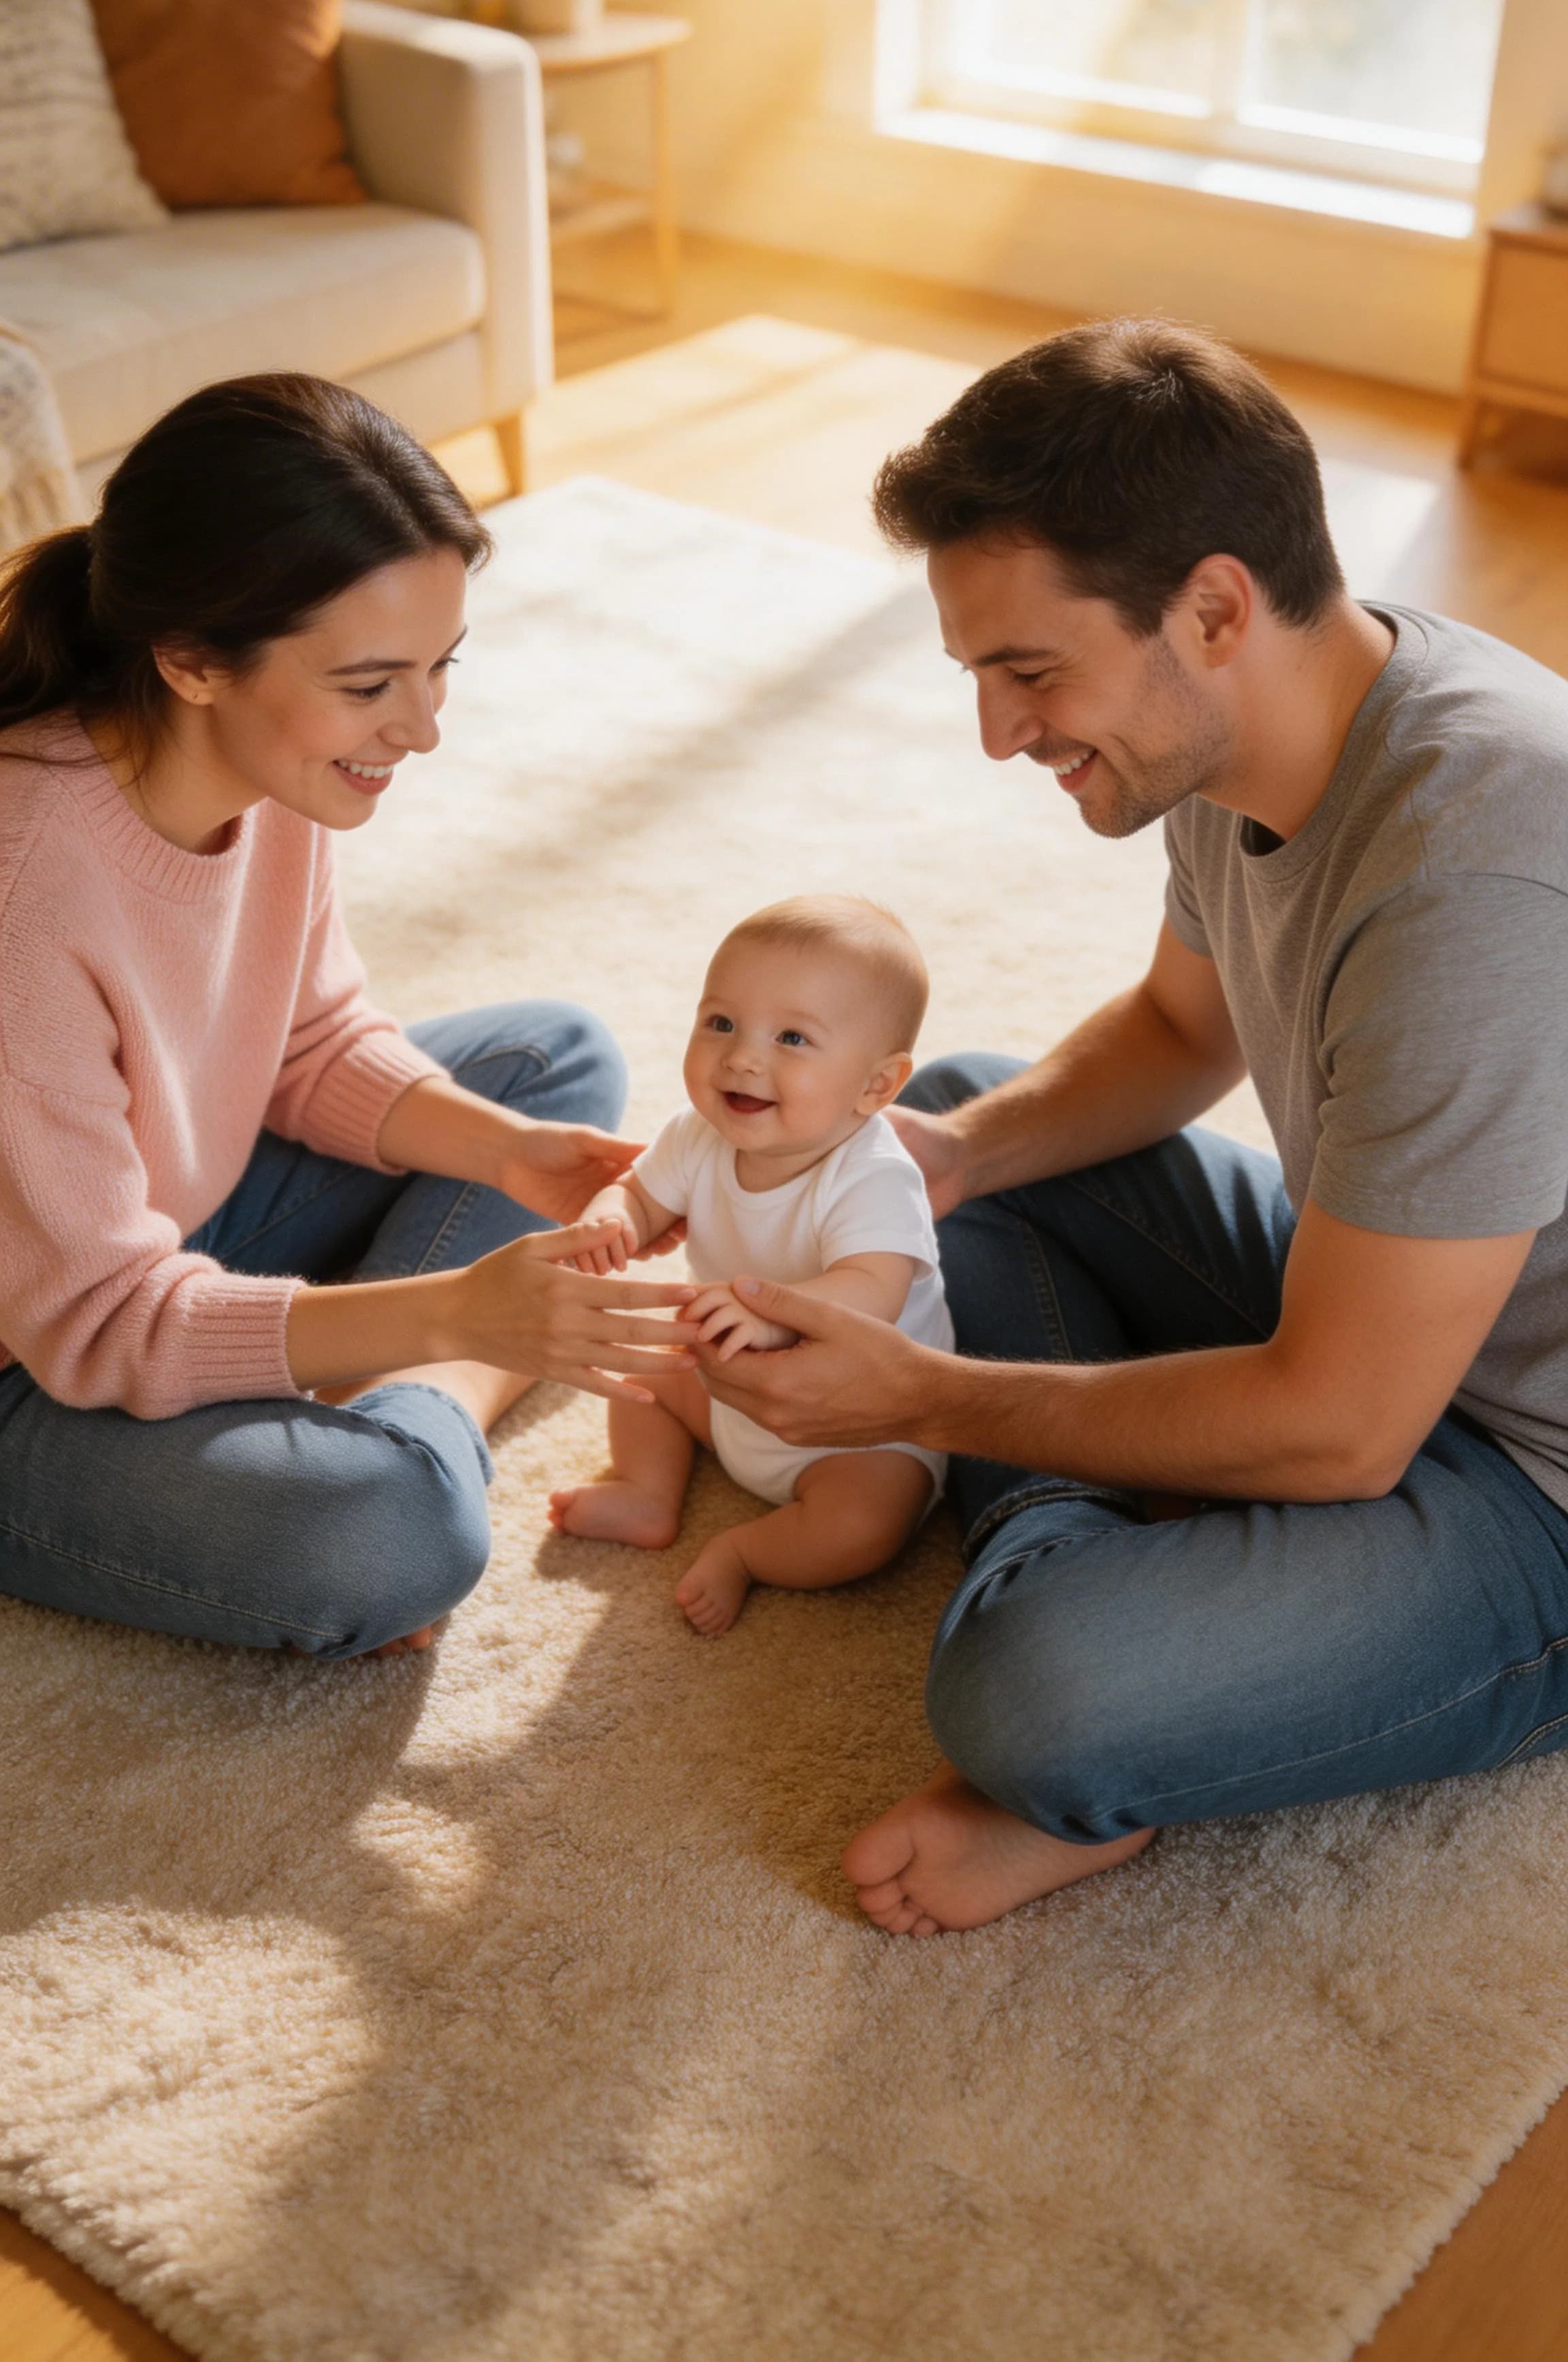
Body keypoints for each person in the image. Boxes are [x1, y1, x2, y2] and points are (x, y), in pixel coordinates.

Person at [699, 319, 1568, 1935]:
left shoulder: (1478, 867)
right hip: (1392, 1312)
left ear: (1216, 607)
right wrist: (947, 1168)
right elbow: (1181, 1031)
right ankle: (1160, 1555)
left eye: (1031, 672)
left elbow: (1338, 1428)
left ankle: (1111, 1640)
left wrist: (932, 1399)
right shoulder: (1282, 724)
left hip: (1537, 1474)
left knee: (1037, 1703)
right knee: (945, 1117)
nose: (1000, 732)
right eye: (981, 676)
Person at [0, 374, 690, 1662]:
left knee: (551, 1060)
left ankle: (391, 1396)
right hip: (37, 1351)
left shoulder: (266, 774)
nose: (422, 729)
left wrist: (505, 1153)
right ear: (193, 658)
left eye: (438, 668)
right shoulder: (24, 884)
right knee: (387, 1536)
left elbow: (306, 1043)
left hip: (172, 1212)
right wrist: (455, 1319)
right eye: (373, 682)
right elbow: (101, 1319)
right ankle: (427, 1414)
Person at [549, 896, 953, 1633]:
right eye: (721, 1023)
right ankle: (646, 1491)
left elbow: (874, 1291)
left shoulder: (873, 1177)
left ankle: (748, 1553)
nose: (743, 1056)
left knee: (865, 1525)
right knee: (641, 1367)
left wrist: (769, 1317)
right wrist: (615, 1217)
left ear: (877, 1086)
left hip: (855, 1429)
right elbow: (641, 1192)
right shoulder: (697, 1135)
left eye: (792, 1037)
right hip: (726, 1384)